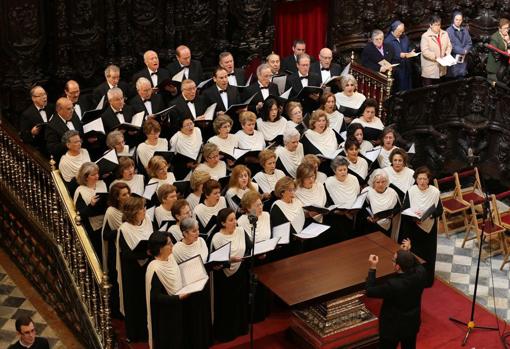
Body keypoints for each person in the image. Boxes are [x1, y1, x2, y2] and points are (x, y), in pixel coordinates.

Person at [366, 245, 427, 349]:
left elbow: (370, 291)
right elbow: (416, 263)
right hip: (411, 323)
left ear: (397, 267)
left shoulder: (393, 285)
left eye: (393, 260)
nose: (392, 262)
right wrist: (407, 253)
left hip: (392, 328)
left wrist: (372, 267)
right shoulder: (420, 273)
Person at [171, 218, 213, 348]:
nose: (197, 233)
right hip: (189, 288)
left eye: (198, 230)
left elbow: (206, 260)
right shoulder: (177, 248)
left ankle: (205, 340)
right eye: (194, 231)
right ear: (184, 233)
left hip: (203, 284)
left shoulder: (201, 241)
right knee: (192, 316)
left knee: (204, 312)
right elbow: (178, 269)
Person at [211, 207, 251, 342]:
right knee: (227, 305)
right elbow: (216, 261)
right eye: (231, 220)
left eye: (235, 219)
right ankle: (226, 333)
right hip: (225, 277)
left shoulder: (240, 231)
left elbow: (249, 247)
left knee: (240, 301)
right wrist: (229, 260)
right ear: (223, 223)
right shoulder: (217, 237)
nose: (235, 222)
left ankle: (240, 328)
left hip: (241, 272)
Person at [117, 196, 153, 342]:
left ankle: (148, 330)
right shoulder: (124, 229)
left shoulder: (148, 220)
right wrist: (145, 253)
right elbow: (125, 254)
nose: (145, 211)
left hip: (148, 267)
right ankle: (136, 334)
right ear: (133, 212)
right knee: (135, 302)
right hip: (133, 272)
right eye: (141, 209)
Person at [400, 166, 443, 287]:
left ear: (429, 179)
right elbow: (405, 209)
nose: (422, 182)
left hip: (429, 230)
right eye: (420, 179)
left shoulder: (434, 192)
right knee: (414, 255)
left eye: (425, 179)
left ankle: (427, 280)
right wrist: (413, 217)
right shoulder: (411, 191)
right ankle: (413, 280)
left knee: (428, 256)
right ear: (416, 179)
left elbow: (439, 210)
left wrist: (429, 215)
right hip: (413, 228)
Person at [145, 231, 185, 349]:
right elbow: (155, 297)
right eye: (169, 243)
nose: (172, 245)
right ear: (160, 249)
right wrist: (177, 298)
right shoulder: (155, 267)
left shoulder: (171, 259)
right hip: (163, 315)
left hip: (176, 308)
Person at [101, 182, 131, 318]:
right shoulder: (111, 212)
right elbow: (106, 235)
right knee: (117, 282)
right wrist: (121, 230)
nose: (128, 196)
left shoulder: (130, 208)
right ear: (117, 197)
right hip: (116, 251)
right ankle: (118, 310)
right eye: (124, 194)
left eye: (128, 193)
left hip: (127, 249)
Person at [73, 162, 107, 256]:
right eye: (93, 175)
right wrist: (91, 204)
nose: (97, 176)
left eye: (97, 173)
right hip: (94, 229)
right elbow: (81, 214)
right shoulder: (80, 191)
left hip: (106, 223)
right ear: (86, 177)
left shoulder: (102, 184)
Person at [324, 157, 360, 241]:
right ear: (334, 170)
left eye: (345, 169)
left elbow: (358, 195)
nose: (343, 172)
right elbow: (328, 202)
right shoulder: (329, 182)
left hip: (354, 214)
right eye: (340, 170)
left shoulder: (353, 179)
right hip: (338, 218)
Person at [364, 169, 401, 238]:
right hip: (370, 227)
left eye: (383, 182)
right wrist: (368, 217)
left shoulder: (392, 192)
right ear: (373, 183)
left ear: (387, 182)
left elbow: (398, 209)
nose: (381, 184)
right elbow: (362, 209)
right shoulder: (367, 192)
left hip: (388, 227)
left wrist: (392, 214)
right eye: (377, 182)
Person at [45, 97, 83, 162]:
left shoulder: (74, 116)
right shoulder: (51, 126)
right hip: (66, 159)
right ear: (59, 110)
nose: (72, 111)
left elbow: (81, 132)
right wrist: (69, 144)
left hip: (81, 153)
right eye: (68, 109)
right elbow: (52, 148)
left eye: (72, 108)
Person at [420, 15, 453, 86]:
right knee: (429, 91)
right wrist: (436, 57)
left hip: (442, 67)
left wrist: (447, 54)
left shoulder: (445, 33)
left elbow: (449, 46)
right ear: (430, 25)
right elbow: (425, 51)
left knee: (440, 89)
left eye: (439, 25)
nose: (438, 27)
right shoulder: (425, 36)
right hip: (430, 68)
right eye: (435, 25)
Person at [169, 115, 203, 180]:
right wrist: (187, 165)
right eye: (187, 125)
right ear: (181, 128)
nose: (190, 126)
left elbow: (201, 147)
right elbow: (172, 158)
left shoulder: (197, 131)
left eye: (191, 123)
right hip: (183, 169)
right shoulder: (176, 138)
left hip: (198, 165)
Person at [384, 21, 415, 91]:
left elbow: (409, 45)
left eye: (402, 31)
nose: (401, 33)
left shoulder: (404, 37)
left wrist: (410, 51)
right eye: (399, 31)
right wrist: (399, 55)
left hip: (407, 66)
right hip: (397, 69)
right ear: (393, 30)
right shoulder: (387, 41)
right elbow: (387, 55)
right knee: (400, 89)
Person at [446, 11, 472, 78]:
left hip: (463, 59)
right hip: (453, 59)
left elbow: (469, 43)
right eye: (456, 19)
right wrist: (462, 51)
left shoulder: (465, 30)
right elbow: (451, 45)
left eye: (460, 20)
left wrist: (466, 50)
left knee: (462, 78)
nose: (458, 21)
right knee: (453, 78)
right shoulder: (448, 31)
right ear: (453, 20)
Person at [486, 18, 510, 82]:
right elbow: (497, 56)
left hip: (504, 67)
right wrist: (507, 52)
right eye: (505, 28)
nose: (507, 30)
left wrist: (508, 42)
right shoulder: (494, 38)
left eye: (508, 28)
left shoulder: (507, 36)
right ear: (499, 28)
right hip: (495, 68)